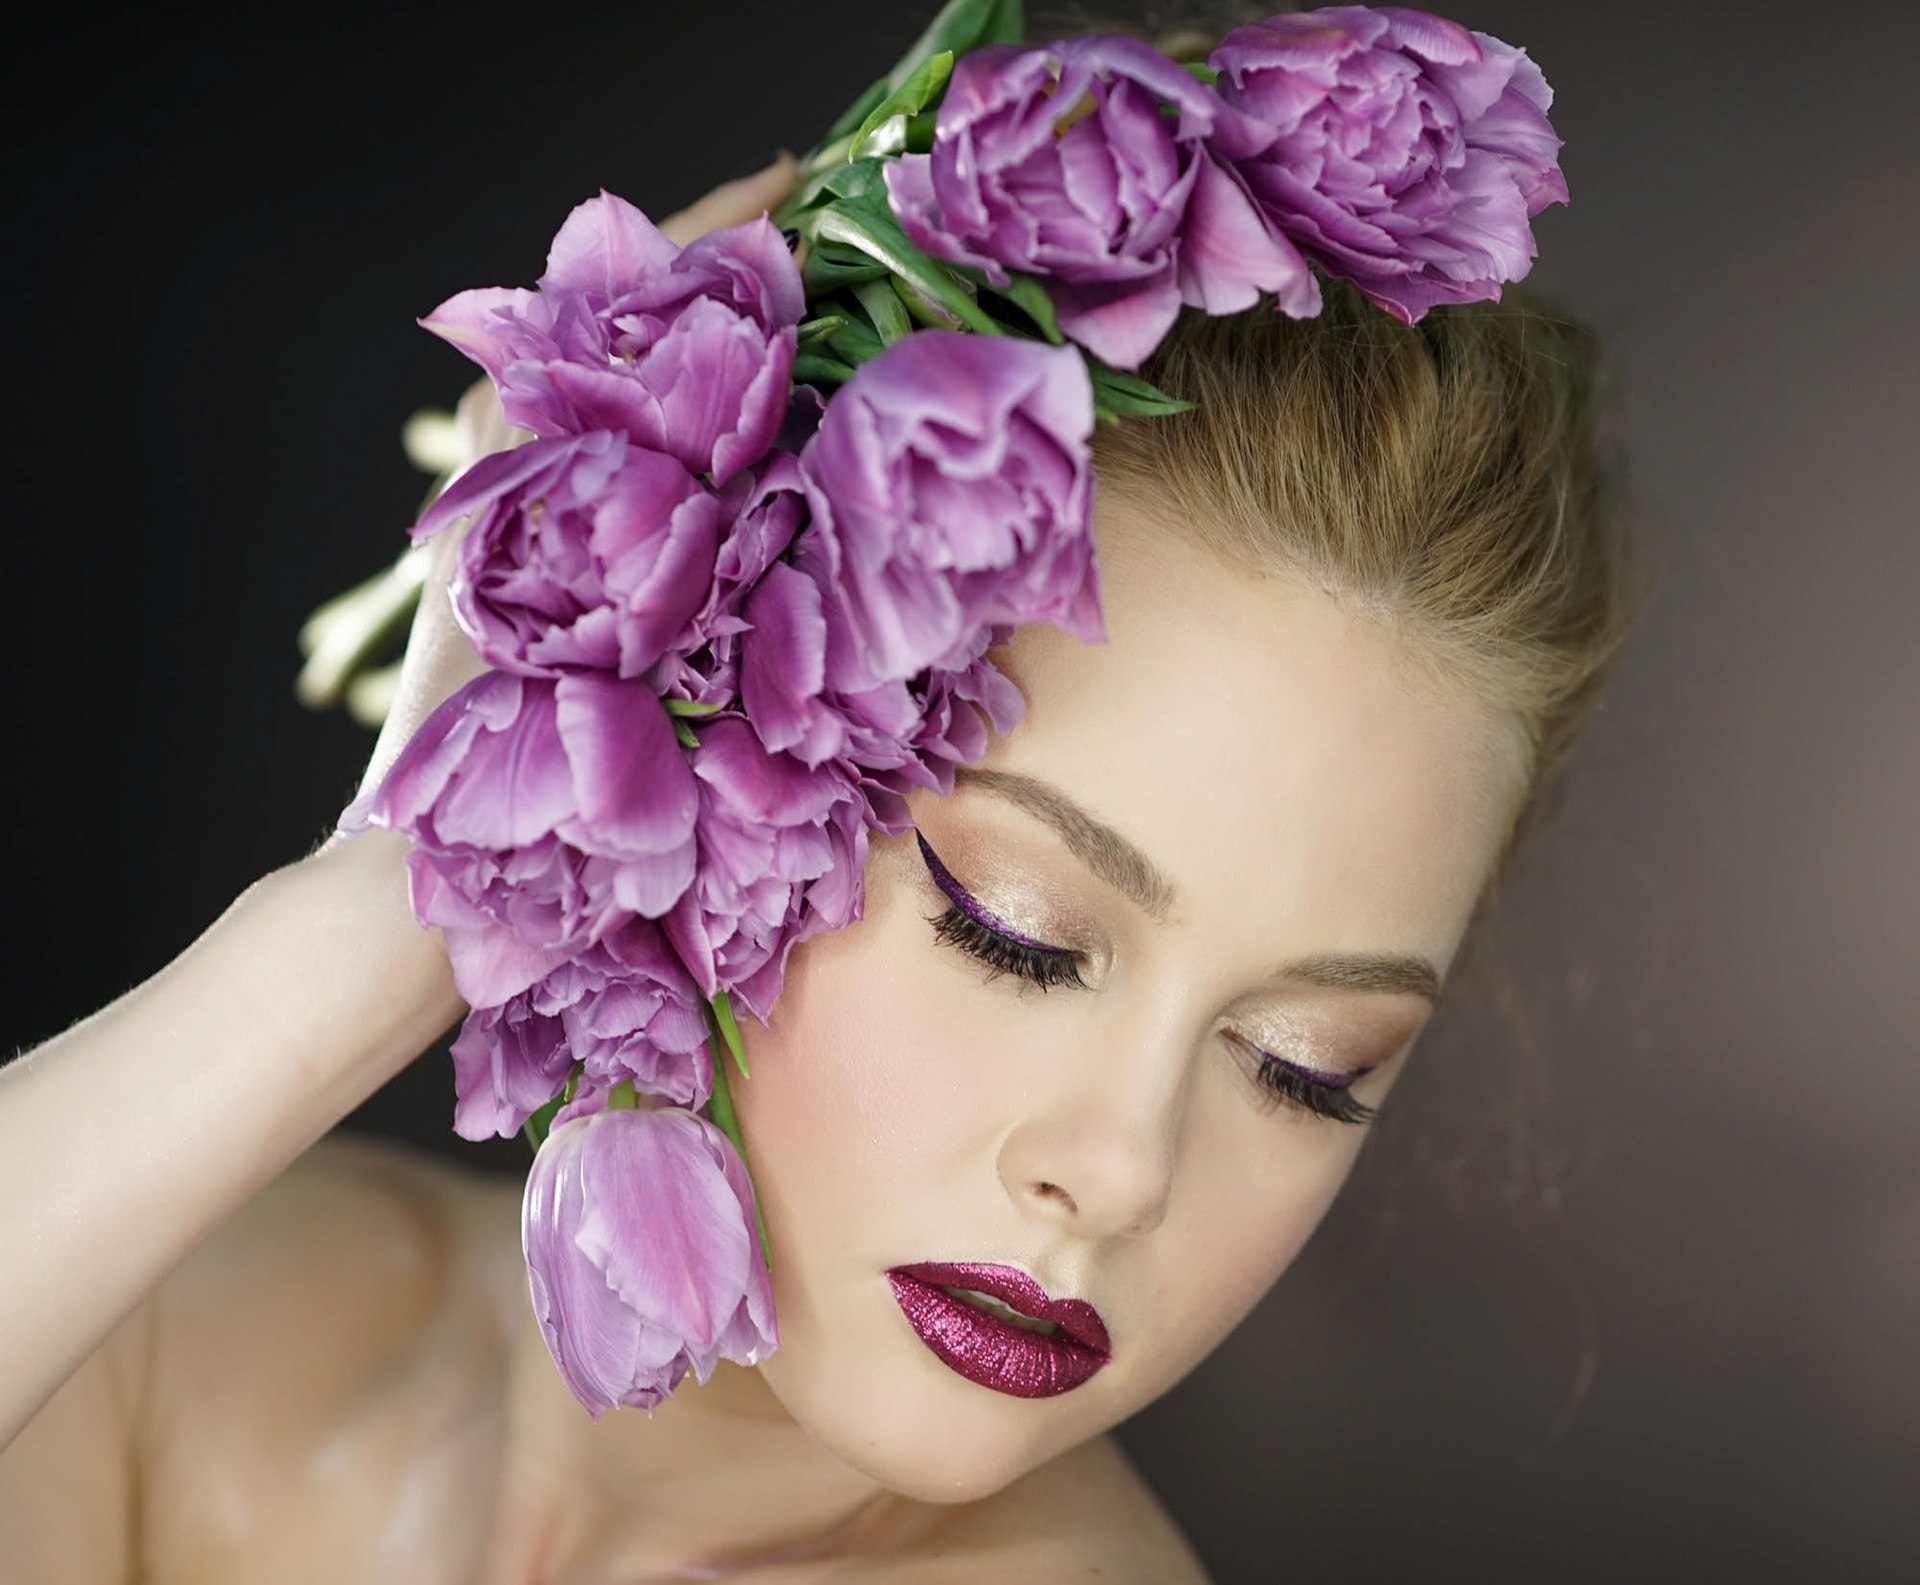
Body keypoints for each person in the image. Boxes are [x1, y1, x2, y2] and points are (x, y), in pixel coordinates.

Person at [0, 18, 1632, 1581]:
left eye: (1306, 1068)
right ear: (707, 745)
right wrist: (392, 892)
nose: (1123, 1170)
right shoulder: (155, 1325)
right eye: (1015, 935)